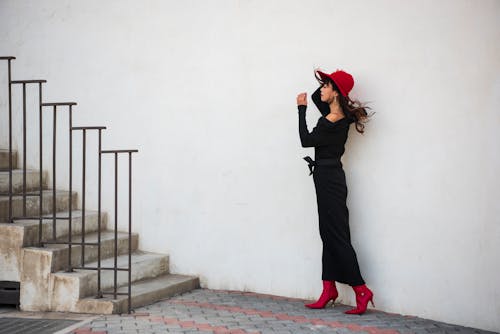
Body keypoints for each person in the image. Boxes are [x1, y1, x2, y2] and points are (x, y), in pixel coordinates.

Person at [296, 69, 373, 315]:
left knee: (336, 236)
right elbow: (320, 97)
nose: (322, 90)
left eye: (327, 86)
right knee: (328, 233)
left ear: (337, 93)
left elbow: (306, 140)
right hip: (327, 177)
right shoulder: (337, 116)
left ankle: (361, 289)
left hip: (329, 180)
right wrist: (330, 83)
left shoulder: (330, 121)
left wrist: (300, 109)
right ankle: (328, 288)